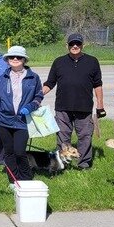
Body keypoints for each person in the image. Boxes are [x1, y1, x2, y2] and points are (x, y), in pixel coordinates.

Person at [42, 33, 105, 169]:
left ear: (82, 45)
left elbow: (98, 84)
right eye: (71, 44)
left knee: (85, 137)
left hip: (84, 107)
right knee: (62, 137)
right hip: (62, 107)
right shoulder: (58, 62)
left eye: (77, 43)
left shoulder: (92, 61)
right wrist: (36, 95)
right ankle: (61, 164)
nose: (75, 46)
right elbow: (50, 83)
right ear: (67, 46)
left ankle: (83, 164)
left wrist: (100, 105)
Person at [0, 46, 44, 183]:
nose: (15, 59)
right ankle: (13, 181)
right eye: (11, 57)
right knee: (9, 153)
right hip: (4, 121)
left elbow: (39, 96)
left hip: (22, 122)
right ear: (7, 60)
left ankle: (26, 180)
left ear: (24, 60)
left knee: (20, 152)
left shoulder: (33, 77)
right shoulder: (2, 78)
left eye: (18, 57)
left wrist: (31, 106)